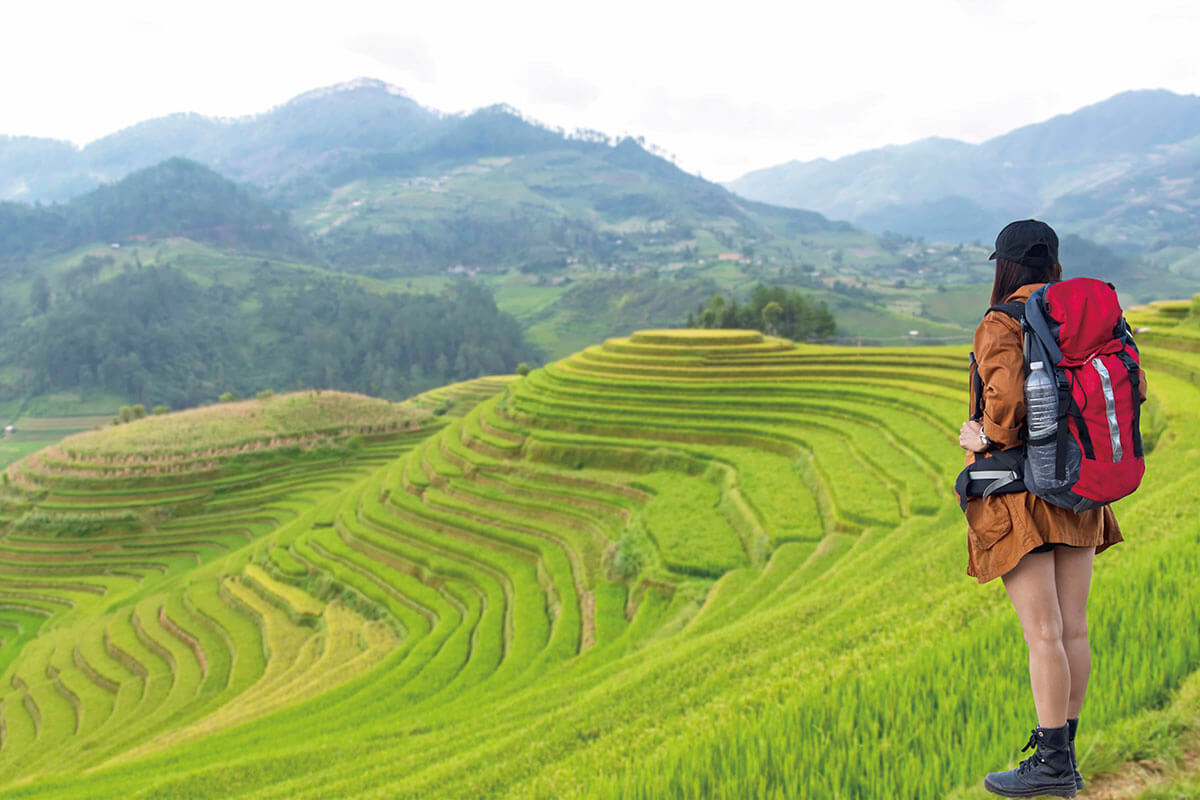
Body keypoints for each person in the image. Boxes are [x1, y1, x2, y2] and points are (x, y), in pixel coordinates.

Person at [958, 219, 1147, 798]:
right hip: (1080, 484)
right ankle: (1064, 753)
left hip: (1023, 492)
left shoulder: (1002, 321)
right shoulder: (1082, 314)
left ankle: (1051, 762)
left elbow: (1008, 400)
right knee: (1073, 628)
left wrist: (983, 437)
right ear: (1053, 264)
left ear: (1006, 266)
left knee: (1043, 631)